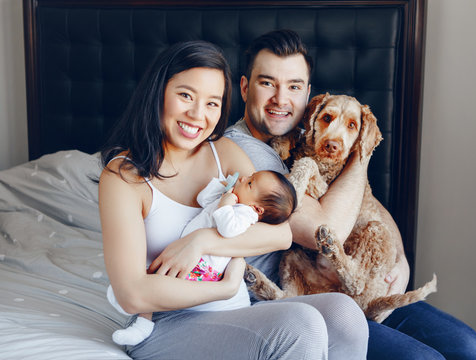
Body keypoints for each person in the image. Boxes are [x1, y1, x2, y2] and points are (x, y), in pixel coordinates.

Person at [224, 29, 476, 360]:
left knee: (474, 352)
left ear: (308, 95)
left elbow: (368, 205)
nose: (281, 99)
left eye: (293, 86)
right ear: (244, 87)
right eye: (267, 83)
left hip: (352, 287)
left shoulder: (308, 135)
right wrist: (361, 151)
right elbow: (326, 233)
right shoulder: (242, 152)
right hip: (298, 297)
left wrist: (401, 260)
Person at [99, 40, 369, 359]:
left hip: (233, 307)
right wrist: (223, 288)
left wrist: (201, 242)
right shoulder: (124, 177)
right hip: (163, 321)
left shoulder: (223, 152)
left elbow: (280, 233)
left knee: (343, 313)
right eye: (186, 95)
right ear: (158, 92)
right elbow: (131, 294)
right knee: (300, 324)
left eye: (213, 103)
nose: (198, 115)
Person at [107, 170, 298, 346]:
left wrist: (226, 203)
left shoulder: (245, 214)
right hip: (195, 261)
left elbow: (227, 229)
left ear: (257, 209)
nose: (243, 178)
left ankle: (140, 320)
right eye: (249, 177)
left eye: (249, 183)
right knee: (153, 279)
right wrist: (221, 187)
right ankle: (141, 319)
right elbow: (203, 198)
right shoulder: (233, 201)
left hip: (204, 267)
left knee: (157, 280)